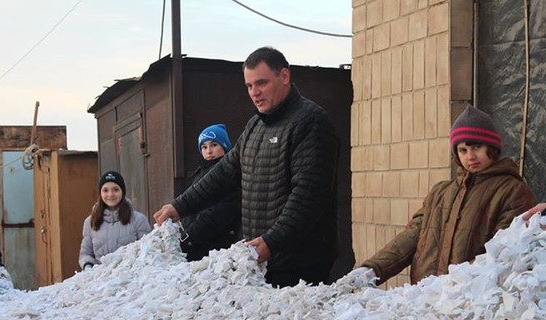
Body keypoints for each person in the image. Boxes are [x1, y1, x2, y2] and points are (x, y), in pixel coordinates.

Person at [154, 46, 351, 288]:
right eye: (249, 86)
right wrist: (179, 206)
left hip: (301, 263)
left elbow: (309, 196)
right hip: (262, 258)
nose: (254, 93)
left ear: (285, 77)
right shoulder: (255, 127)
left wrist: (273, 241)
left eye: (261, 83)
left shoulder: (311, 123)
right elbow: (224, 173)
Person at [342, 105, 534, 288]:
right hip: (426, 298)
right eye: (462, 150)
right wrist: (373, 269)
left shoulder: (512, 191)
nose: (470, 156)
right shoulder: (441, 192)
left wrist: (454, 286)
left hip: (471, 300)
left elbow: (503, 252)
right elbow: (412, 237)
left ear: (492, 147)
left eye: (476, 147)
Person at [179, 124, 242, 261]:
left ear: (225, 146)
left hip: (215, 248)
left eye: (214, 145)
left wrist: (189, 238)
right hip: (193, 244)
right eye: (204, 147)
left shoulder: (230, 175)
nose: (209, 151)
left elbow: (218, 213)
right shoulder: (198, 174)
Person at [79, 171, 152, 270]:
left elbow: (148, 251)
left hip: (131, 279)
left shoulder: (139, 220)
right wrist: (88, 267)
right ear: (100, 193)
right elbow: (85, 254)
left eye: (115, 189)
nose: (110, 194)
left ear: (122, 191)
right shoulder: (90, 222)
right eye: (105, 190)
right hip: (99, 280)